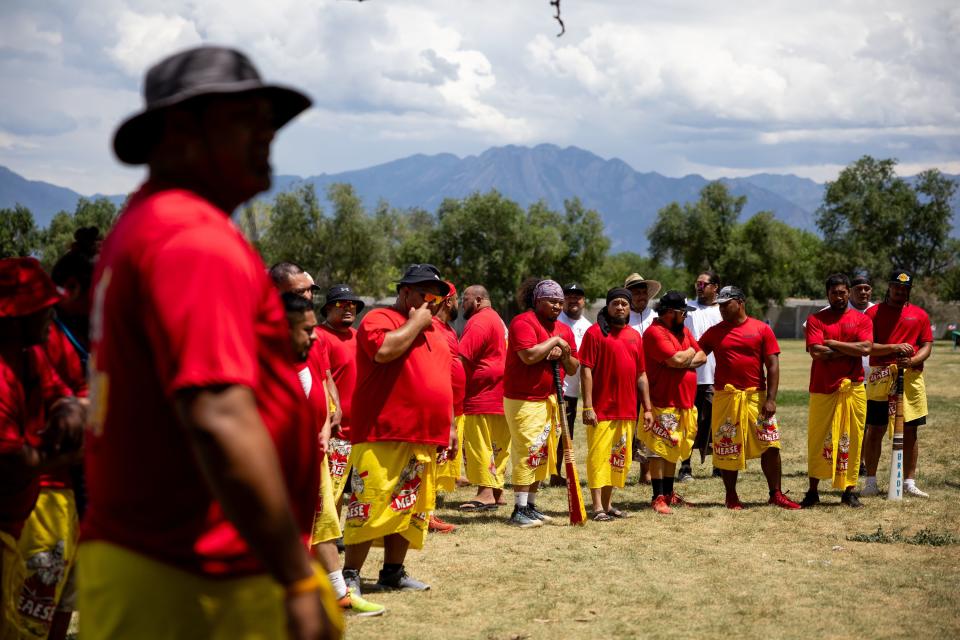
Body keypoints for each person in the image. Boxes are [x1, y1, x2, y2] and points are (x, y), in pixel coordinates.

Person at [81, 46, 342, 639]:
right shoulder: (191, 239)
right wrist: (296, 577)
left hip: (168, 565)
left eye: (269, 119)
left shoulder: (153, 223)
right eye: (244, 118)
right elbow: (218, 414)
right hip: (197, 577)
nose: (267, 134)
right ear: (179, 130)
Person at [341, 263, 454, 594]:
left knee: (410, 506)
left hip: (425, 434)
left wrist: (449, 427)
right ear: (405, 292)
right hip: (383, 431)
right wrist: (417, 322)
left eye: (435, 296)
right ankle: (350, 575)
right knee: (370, 502)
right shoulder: (379, 318)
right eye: (424, 294)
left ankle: (393, 571)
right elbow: (384, 351)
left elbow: (442, 379)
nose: (431, 302)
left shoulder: (436, 330)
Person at [280, 293, 384, 617]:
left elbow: (324, 386)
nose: (315, 336)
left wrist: (325, 422)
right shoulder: (268, 362)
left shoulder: (311, 348)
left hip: (327, 442)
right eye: (307, 329)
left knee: (324, 518)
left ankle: (340, 594)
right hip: (291, 456)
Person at [18, 229, 99, 640]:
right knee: (32, 599)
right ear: (72, 289)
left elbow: (78, 400)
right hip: (43, 489)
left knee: (66, 595)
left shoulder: (87, 335)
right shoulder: (40, 339)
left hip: (77, 488)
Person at [1, 258, 86, 640]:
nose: (52, 314)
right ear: (16, 318)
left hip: (22, 510)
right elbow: (12, 464)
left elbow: (60, 393)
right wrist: (67, 455)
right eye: (43, 308)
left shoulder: (30, 353)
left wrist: (66, 407)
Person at [698, 286, 801, 510]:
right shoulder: (715, 332)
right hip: (727, 397)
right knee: (727, 446)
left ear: (741, 302)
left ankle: (776, 493)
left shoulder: (761, 329)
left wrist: (771, 399)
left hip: (756, 396)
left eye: (727, 304)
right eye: (721, 305)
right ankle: (731, 496)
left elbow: (772, 365)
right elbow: (697, 352)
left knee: (771, 444)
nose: (723, 309)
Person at [502, 279, 579, 528]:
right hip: (523, 399)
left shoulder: (564, 329)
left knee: (541, 453)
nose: (558, 305)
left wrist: (564, 353)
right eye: (552, 301)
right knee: (528, 450)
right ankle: (518, 509)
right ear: (538, 301)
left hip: (549, 399)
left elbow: (574, 366)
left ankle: (531, 505)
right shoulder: (523, 322)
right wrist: (554, 343)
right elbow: (529, 356)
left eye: (560, 301)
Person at [579, 288, 653, 520]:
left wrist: (648, 408)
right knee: (599, 458)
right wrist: (588, 406)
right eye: (615, 303)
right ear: (608, 307)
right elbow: (586, 370)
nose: (620, 307)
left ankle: (609, 504)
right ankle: (597, 507)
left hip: (627, 409)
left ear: (629, 308)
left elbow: (641, 375)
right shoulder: (594, 333)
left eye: (624, 304)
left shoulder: (634, 336)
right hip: (602, 410)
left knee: (617, 458)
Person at [802, 274, 873, 508]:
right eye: (835, 293)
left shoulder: (862, 320)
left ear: (849, 292)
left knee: (852, 437)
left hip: (853, 387)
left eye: (843, 292)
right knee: (818, 438)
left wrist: (832, 343)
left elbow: (865, 348)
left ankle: (849, 491)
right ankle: (813, 491)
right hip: (823, 388)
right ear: (827, 294)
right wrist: (849, 350)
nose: (839, 297)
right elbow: (816, 352)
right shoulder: (816, 319)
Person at [861, 270, 934, 498]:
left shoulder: (920, 315)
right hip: (880, 375)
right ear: (889, 287)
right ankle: (871, 482)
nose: (900, 291)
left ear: (909, 290)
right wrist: (893, 348)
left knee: (910, 431)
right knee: (875, 429)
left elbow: (927, 345)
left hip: (911, 378)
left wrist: (911, 360)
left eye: (904, 288)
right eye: (896, 287)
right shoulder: (873, 313)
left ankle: (908, 482)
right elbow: (867, 346)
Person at [638, 291, 706, 514]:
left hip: (683, 402)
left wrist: (681, 359)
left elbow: (702, 356)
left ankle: (668, 493)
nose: (686, 316)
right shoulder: (655, 333)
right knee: (658, 450)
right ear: (670, 313)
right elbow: (678, 359)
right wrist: (686, 354)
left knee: (673, 449)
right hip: (662, 400)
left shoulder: (683, 331)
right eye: (683, 312)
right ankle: (657, 496)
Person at [270, 262, 343, 434]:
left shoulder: (314, 337)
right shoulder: (263, 341)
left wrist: (326, 425)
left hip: (315, 441)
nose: (308, 296)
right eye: (300, 291)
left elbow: (323, 380)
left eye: (310, 290)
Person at [457, 285, 511, 512]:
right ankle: (497, 492)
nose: (461, 304)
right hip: (501, 394)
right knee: (497, 445)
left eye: (464, 299)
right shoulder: (497, 319)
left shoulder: (478, 322)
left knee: (478, 446)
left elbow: (462, 357)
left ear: (477, 300)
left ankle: (485, 493)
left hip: (481, 395)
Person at [318, 284, 364, 505]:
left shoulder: (358, 336)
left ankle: (352, 536)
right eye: (341, 304)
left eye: (353, 304)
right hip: (336, 429)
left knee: (360, 490)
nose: (348, 308)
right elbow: (324, 377)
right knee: (333, 490)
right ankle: (332, 537)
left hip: (361, 429)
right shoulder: (319, 335)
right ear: (327, 308)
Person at [678, 270, 723, 482]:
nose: (699, 286)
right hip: (689, 374)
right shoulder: (688, 307)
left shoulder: (724, 310)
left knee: (716, 422)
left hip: (715, 376)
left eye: (704, 284)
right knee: (688, 422)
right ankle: (685, 467)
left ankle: (719, 465)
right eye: (697, 283)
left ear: (715, 287)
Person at [431, 282, 463, 533]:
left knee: (441, 460)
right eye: (458, 299)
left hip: (455, 406)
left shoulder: (449, 329)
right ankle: (426, 513)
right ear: (448, 301)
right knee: (431, 459)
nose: (460, 304)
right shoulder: (432, 327)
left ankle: (429, 510)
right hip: (440, 406)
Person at [624, 272, 661, 484]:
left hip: (651, 379)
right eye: (635, 292)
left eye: (643, 292)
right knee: (628, 425)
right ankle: (620, 466)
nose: (640, 296)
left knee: (648, 425)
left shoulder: (656, 318)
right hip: (627, 380)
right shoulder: (620, 317)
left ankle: (645, 472)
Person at [553, 283, 592, 486]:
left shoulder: (588, 327)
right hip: (553, 386)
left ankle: (557, 472)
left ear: (584, 300)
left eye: (578, 296)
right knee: (551, 433)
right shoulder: (556, 321)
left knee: (565, 433)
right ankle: (549, 472)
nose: (573, 299)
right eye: (569, 296)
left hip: (573, 389)